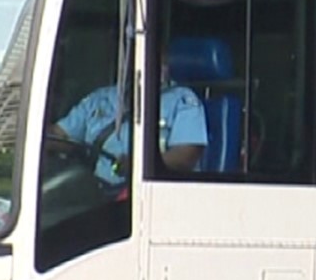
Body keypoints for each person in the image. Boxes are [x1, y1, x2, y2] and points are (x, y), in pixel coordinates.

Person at [48, 58, 207, 191]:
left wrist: (138, 164)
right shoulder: (101, 97)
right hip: (95, 194)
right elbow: (62, 136)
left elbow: (185, 158)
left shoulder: (183, 101)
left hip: (149, 193)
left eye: (160, 60)